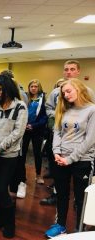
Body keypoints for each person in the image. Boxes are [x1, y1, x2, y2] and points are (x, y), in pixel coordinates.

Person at [44, 78, 95, 238]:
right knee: (61, 194)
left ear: (79, 89)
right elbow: (57, 132)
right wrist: (56, 153)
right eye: (63, 93)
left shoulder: (92, 110)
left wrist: (70, 159)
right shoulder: (64, 109)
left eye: (68, 91)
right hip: (61, 158)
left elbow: (90, 140)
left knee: (80, 197)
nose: (65, 95)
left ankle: (79, 229)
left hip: (82, 160)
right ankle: (60, 225)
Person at [40, 59, 94, 205]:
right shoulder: (56, 92)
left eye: (72, 69)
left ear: (78, 71)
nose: (68, 72)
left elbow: (89, 120)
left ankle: (79, 210)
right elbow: (49, 108)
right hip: (61, 135)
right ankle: (56, 195)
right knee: (59, 175)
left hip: (81, 148)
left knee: (80, 192)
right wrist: (58, 117)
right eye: (66, 69)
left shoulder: (88, 92)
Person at [0, 74, 27, 238]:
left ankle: (10, 224)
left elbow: (18, 133)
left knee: (2, 189)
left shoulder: (20, 106)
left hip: (8, 155)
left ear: (8, 87)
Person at [15, 79, 47, 198]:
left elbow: (44, 117)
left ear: (39, 87)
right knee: (22, 153)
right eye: (31, 86)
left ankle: (38, 175)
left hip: (37, 130)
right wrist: (25, 125)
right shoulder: (25, 98)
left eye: (35, 86)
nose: (33, 88)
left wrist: (33, 125)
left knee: (37, 153)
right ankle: (22, 177)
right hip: (24, 129)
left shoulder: (42, 100)